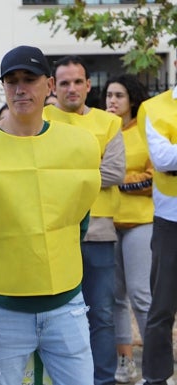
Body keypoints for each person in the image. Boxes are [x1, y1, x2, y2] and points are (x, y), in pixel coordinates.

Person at [0, 45, 101, 384]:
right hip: (0, 304)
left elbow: (80, 217)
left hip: (66, 300)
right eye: (11, 80)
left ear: (48, 85)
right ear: (3, 87)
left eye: (29, 79)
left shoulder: (78, 145)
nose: (20, 88)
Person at [44, 55, 125, 385]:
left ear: (89, 85)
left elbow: (115, 171)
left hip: (99, 230)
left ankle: (102, 380)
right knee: (55, 315)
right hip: (53, 231)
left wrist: (60, 174)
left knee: (101, 314)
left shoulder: (108, 123)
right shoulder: (42, 117)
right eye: (64, 82)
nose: (72, 88)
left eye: (78, 81)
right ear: (52, 86)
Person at [101, 74, 152, 384]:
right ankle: (125, 361)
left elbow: (153, 176)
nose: (112, 101)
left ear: (132, 99)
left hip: (140, 222)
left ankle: (156, 363)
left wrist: (117, 177)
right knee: (114, 298)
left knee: (141, 295)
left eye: (119, 95)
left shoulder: (145, 131)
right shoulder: (102, 131)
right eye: (108, 95)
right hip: (106, 222)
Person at [136, 62, 177, 385]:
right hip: (170, 221)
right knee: (161, 307)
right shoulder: (154, 107)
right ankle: (156, 377)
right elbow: (163, 159)